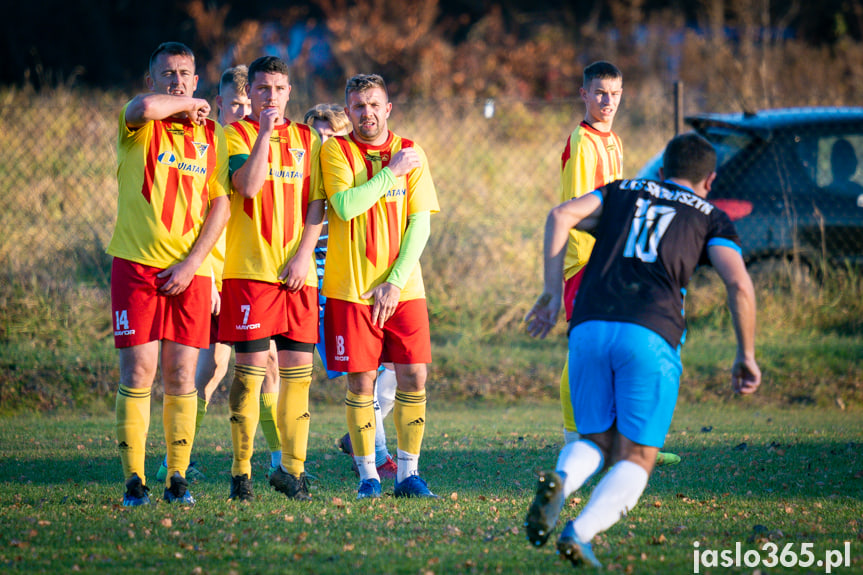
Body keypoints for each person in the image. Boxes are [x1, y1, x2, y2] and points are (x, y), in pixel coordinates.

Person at [523, 133, 761, 568]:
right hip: (651, 333)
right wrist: (746, 353)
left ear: (663, 170)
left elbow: (560, 216)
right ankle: (580, 532)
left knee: (595, 438)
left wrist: (552, 294)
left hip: (589, 325)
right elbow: (739, 284)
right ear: (709, 179)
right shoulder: (711, 216)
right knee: (637, 456)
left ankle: (561, 477)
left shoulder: (623, 191)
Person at [108, 41, 231, 506]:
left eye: (185, 75)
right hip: (137, 267)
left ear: (197, 80)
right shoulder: (137, 124)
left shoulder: (212, 136)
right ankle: (133, 481)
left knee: (182, 377)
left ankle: (176, 478)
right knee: (139, 371)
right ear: (153, 80)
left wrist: (194, 263)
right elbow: (144, 107)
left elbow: (220, 205)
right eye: (168, 74)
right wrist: (186, 105)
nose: (178, 81)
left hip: (190, 273)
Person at [153, 65, 284, 483]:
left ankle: (278, 461)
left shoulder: (256, 145)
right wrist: (208, 274)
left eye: (250, 103)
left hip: (248, 278)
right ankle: (180, 456)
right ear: (220, 103)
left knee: (265, 365)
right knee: (210, 371)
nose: (245, 110)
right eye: (236, 104)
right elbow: (207, 215)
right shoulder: (215, 143)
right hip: (217, 278)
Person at [553, 61, 680, 466]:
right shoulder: (582, 141)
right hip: (586, 262)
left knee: (616, 346)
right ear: (584, 95)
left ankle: (622, 439)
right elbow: (576, 212)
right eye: (600, 93)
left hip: (610, 259)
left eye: (615, 94)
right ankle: (577, 440)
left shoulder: (615, 141)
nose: (608, 102)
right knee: (584, 352)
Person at [320, 74, 440, 499]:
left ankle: (408, 475)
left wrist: (394, 281)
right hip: (350, 288)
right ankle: (368, 476)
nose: (366, 113)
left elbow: (420, 223)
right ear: (348, 111)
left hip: (402, 288)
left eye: (374, 104)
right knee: (361, 382)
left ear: (388, 108)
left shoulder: (412, 151)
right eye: (357, 106)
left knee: (414, 375)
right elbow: (346, 206)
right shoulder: (335, 150)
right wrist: (390, 175)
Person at [219, 56, 324, 502]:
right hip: (250, 274)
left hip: (297, 276)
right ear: (251, 93)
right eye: (263, 89)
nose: (272, 98)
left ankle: (291, 471)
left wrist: (305, 256)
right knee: (249, 376)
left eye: (279, 90)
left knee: (300, 376)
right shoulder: (235, 134)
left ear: (289, 92)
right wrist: (263, 131)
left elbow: (318, 204)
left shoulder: (308, 140)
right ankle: (240, 471)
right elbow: (247, 185)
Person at [306, 104, 400, 481]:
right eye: (317, 137)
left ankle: (357, 436)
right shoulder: (306, 184)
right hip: (328, 291)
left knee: (393, 369)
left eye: (331, 136)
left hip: (370, 283)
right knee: (363, 376)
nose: (324, 143)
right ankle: (378, 457)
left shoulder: (358, 176)